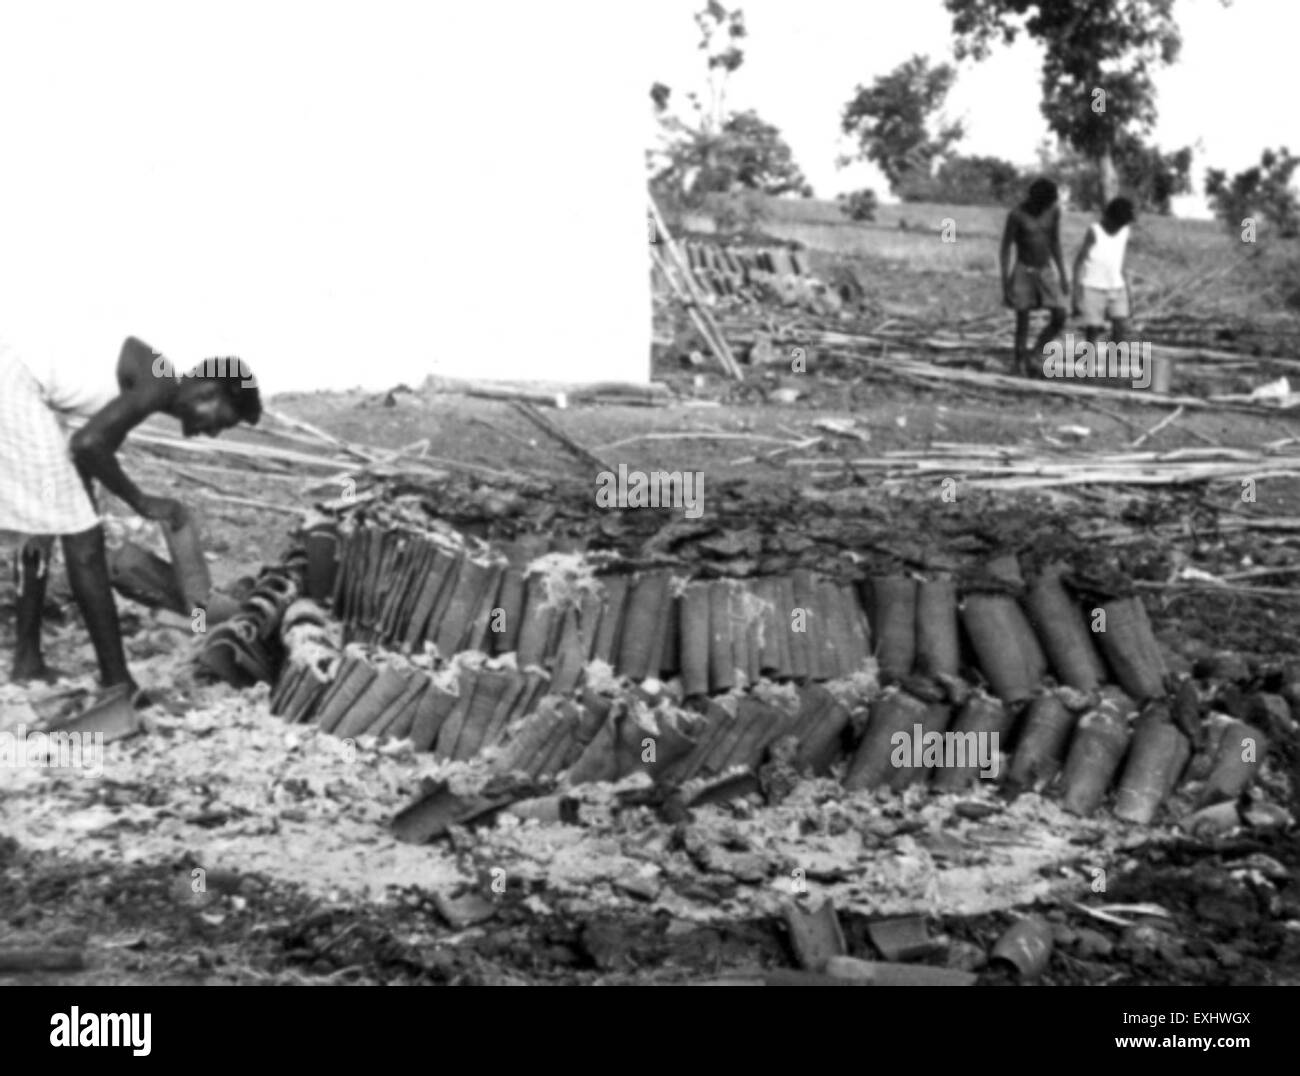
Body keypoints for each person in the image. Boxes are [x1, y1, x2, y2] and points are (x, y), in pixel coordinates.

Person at [0, 335, 262, 698]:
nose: (213, 432)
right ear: (208, 392)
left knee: (50, 524)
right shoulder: (159, 382)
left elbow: (87, 453)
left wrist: (83, 502)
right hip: (16, 384)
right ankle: (117, 681)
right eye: (221, 420)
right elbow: (88, 445)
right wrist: (141, 502)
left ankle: (28, 663)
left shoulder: (149, 382)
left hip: (17, 379)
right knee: (84, 540)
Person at [1000, 178, 1070, 376]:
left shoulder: (1053, 211)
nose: (1048, 207)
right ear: (1035, 200)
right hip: (1023, 269)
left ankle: (1036, 352)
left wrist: (1063, 275)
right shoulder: (1016, 215)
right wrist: (1005, 283)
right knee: (1023, 318)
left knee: (1060, 315)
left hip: (1045, 270)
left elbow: (1055, 241)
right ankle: (1019, 362)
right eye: (1045, 204)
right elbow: (1005, 249)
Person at [1072, 196, 1136, 349]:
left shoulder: (1125, 231)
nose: (1120, 227)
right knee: (1093, 330)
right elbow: (1079, 262)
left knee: (1121, 326)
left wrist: (1129, 290)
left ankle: (1111, 365)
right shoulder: (1095, 231)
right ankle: (1089, 367)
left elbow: (1123, 262)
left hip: (1117, 287)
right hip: (1093, 287)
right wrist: (1076, 293)